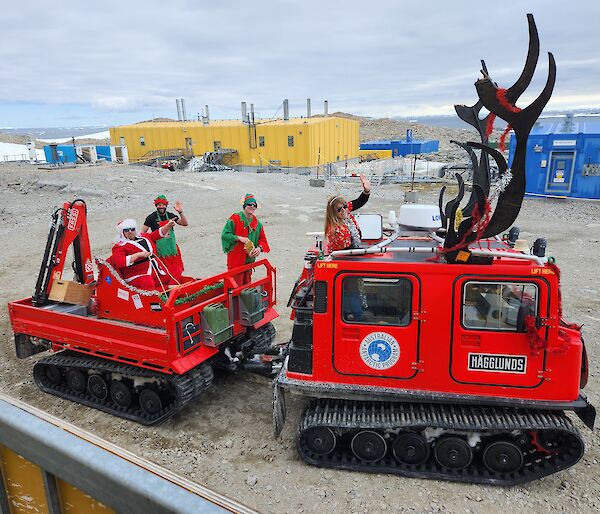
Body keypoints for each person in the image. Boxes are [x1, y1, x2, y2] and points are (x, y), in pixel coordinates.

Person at [111, 218, 177, 290]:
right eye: (126, 230)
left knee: (174, 271)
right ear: (122, 232)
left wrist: (167, 226)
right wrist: (138, 255)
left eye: (132, 229)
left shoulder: (144, 237)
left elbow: (156, 234)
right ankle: (161, 293)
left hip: (154, 270)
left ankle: (170, 289)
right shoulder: (119, 246)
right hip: (136, 274)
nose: (130, 232)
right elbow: (119, 262)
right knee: (147, 281)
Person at [221, 193, 270, 286]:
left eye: (254, 205)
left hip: (249, 262)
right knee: (235, 286)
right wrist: (239, 238)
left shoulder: (258, 223)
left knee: (247, 286)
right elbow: (225, 235)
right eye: (249, 204)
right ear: (244, 206)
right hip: (236, 260)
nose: (252, 206)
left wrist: (259, 249)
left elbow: (263, 240)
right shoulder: (234, 219)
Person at [141, 195, 188, 282]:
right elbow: (143, 233)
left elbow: (185, 223)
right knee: (164, 272)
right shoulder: (151, 218)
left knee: (176, 270)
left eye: (163, 205)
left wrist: (180, 212)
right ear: (156, 205)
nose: (161, 207)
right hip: (159, 250)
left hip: (172, 249)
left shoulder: (170, 215)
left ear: (166, 205)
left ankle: (174, 285)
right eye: (159, 205)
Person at [324, 173, 371, 254]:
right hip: (342, 255)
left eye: (345, 206)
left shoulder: (346, 210)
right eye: (339, 209)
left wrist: (366, 190)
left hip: (352, 249)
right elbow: (346, 249)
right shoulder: (336, 230)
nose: (343, 210)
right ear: (333, 213)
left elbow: (359, 202)